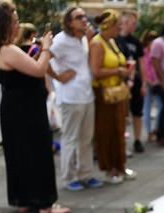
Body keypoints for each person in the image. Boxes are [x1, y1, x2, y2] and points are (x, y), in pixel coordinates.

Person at [0, 2, 70, 213]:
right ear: (4, 25)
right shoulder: (8, 49)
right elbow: (39, 71)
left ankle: (26, 199)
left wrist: (40, 54)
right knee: (38, 151)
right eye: (15, 22)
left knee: (20, 153)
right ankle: (44, 204)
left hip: (15, 107)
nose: (18, 26)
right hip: (26, 108)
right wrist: (47, 46)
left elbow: (27, 68)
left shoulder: (2, 50)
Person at [48, 6, 102, 192]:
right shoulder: (60, 40)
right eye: (79, 17)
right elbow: (42, 56)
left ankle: (86, 174)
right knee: (70, 138)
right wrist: (57, 76)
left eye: (84, 16)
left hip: (86, 95)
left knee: (86, 138)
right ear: (69, 22)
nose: (84, 19)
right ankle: (69, 177)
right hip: (70, 96)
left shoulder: (83, 38)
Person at [90, 9, 134, 184]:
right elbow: (95, 71)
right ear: (109, 26)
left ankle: (120, 164)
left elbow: (117, 61)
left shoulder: (111, 42)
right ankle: (109, 168)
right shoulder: (97, 43)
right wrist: (118, 70)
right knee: (106, 131)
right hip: (103, 93)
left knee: (119, 130)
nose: (120, 28)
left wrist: (127, 65)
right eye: (118, 25)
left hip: (116, 92)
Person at [115, 10, 146, 156]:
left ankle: (137, 139)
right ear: (126, 22)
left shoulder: (135, 42)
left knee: (137, 111)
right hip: (119, 82)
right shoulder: (114, 40)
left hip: (134, 81)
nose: (135, 26)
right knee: (122, 113)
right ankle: (121, 141)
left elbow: (140, 63)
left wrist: (143, 83)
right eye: (134, 23)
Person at [140, 30, 162, 142]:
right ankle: (149, 132)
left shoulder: (155, 53)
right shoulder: (143, 52)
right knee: (147, 108)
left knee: (161, 105)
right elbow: (143, 69)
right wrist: (148, 81)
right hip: (148, 83)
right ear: (148, 42)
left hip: (156, 83)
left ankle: (156, 129)